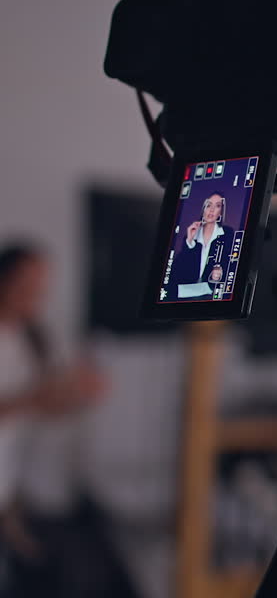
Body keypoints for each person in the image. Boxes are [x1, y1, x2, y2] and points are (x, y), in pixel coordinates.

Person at [0, 243, 117, 597]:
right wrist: (39, 397)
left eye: (41, 287)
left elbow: (38, 409)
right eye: (27, 285)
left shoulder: (31, 339)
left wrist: (78, 395)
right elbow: (27, 402)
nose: (36, 296)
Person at [172, 191, 232, 299]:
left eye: (217, 206)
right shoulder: (193, 234)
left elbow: (228, 265)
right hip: (187, 290)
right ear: (203, 209)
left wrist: (218, 274)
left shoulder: (227, 234)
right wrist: (189, 243)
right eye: (209, 205)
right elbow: (177, 270)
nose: (212, 209)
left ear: (221, 212)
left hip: (210, 291)